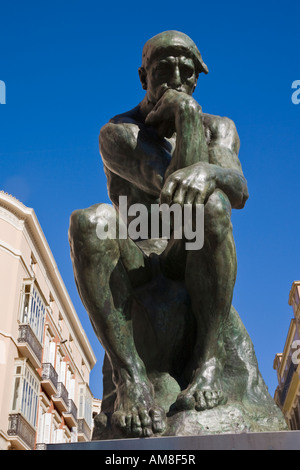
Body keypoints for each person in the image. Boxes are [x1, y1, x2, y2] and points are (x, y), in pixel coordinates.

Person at [69, 30, 249, 438]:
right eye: (163, 69)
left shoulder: (220, 127)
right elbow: (173, 193)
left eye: (187, 72)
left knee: (215, 206)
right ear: (142, 75)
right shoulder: (118, 132)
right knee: (89, 221)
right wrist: (185, 115)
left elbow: (237, 190)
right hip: (138, 258)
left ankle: (208, 364)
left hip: (186, 255)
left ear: (197, 77)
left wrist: (211, 171)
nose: (176, 78)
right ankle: (130, 379)